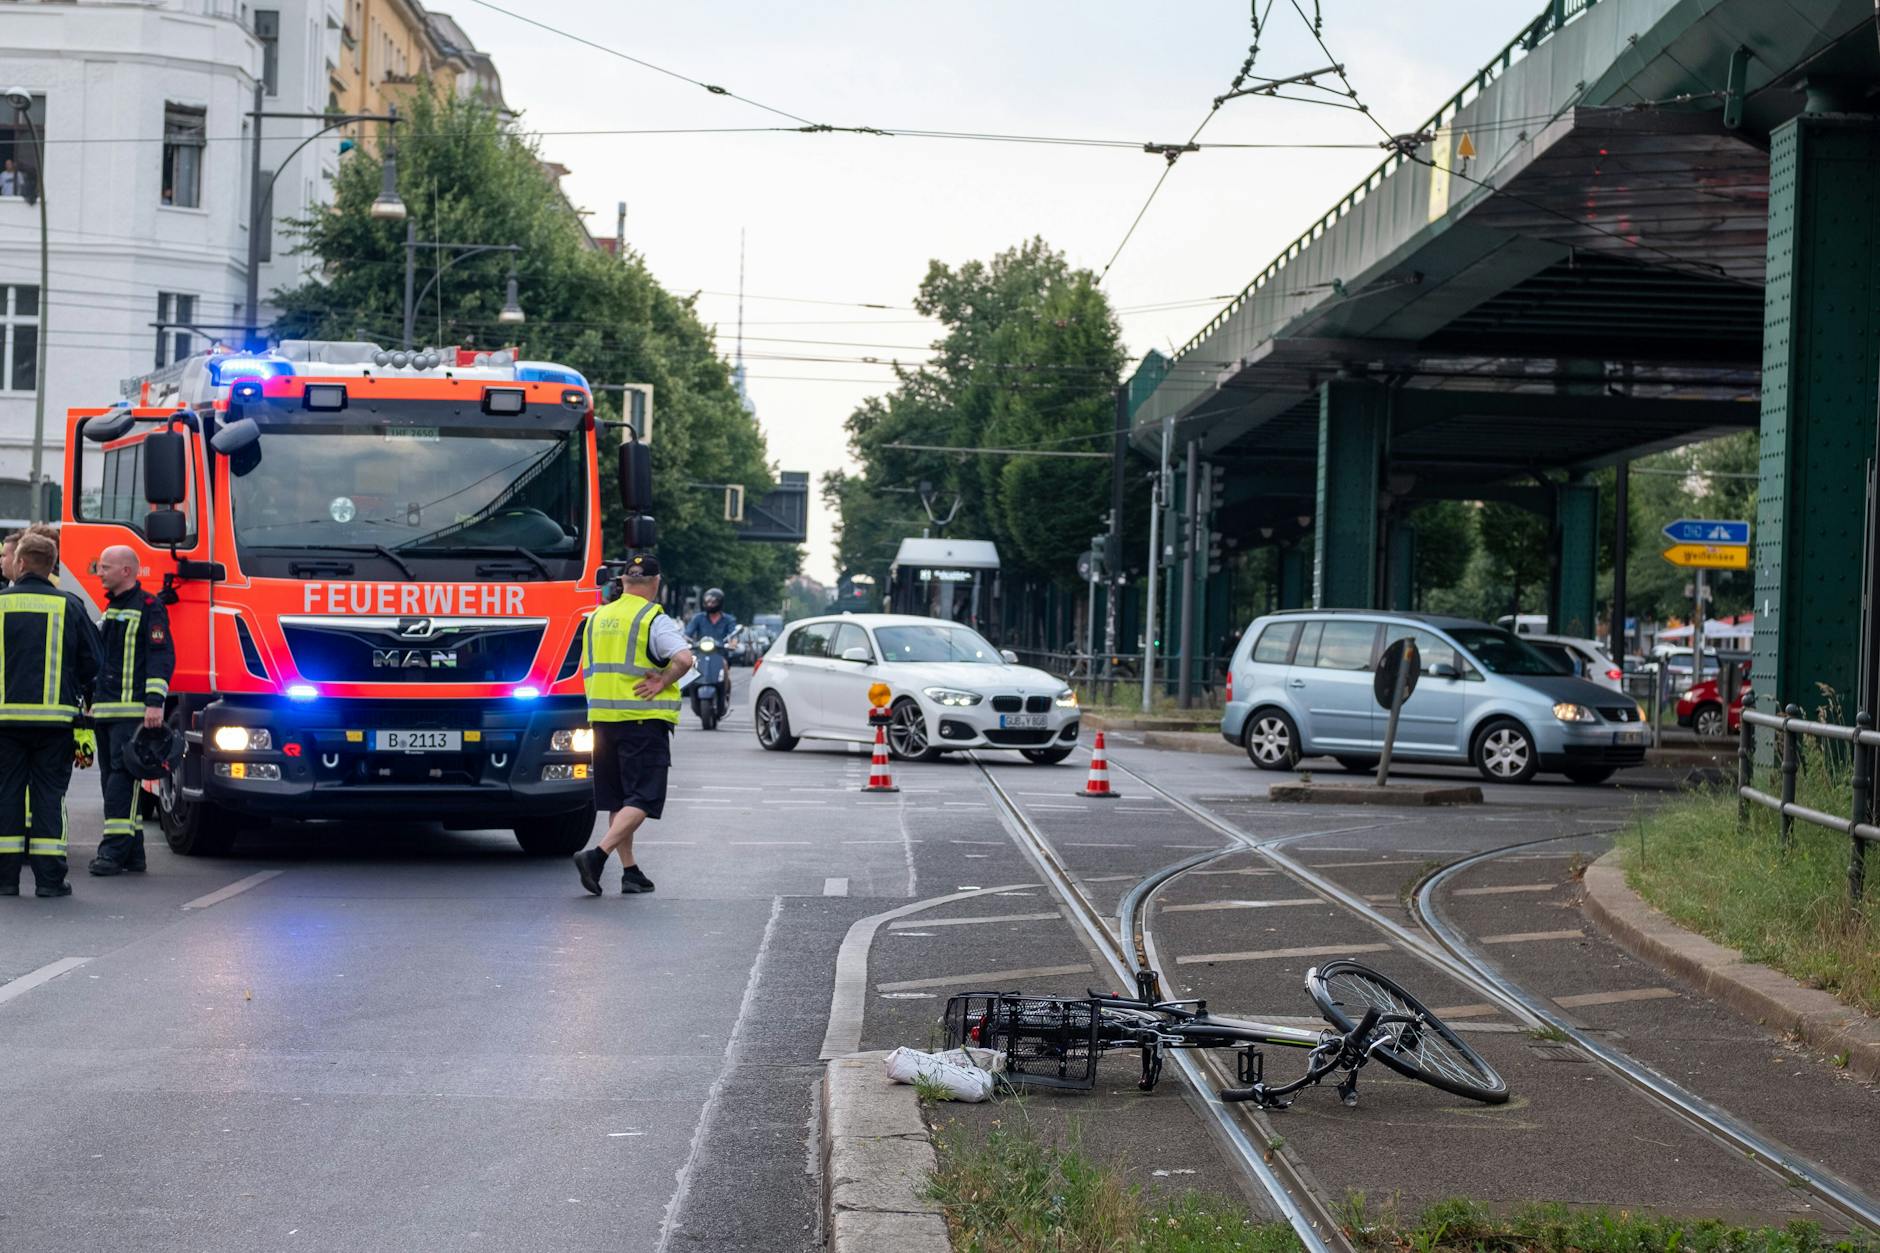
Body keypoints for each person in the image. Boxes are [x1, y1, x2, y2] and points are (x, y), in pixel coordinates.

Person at [572, 553, 692, 897]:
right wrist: (663, 679)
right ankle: (597, 856)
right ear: (656, 582)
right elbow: (683, 659)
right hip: (641, 720)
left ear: (623, 582)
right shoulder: (652, 618)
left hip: (602, 720)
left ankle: (631, 872)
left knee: (620, 800)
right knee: (643, 797)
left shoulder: (597, 617)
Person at [0, 532, 101, 898]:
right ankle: (50, 880)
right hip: (55, 723)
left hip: (5, 723)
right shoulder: (69, 606)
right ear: (53, 566)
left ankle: (5, 879)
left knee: (6, 795)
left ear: (21, 563)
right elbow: (94, 663)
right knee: (49, 797)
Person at [87, 545, 173, 876]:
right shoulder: (110, 611)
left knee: (122, 780)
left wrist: (154, 702)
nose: (100, 572)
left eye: (105, 567)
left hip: (132, 711)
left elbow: (160, 655)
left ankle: (112, 852)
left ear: (126, 571)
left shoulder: (149, 606)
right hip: (107, 712)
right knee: (112, 780)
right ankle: (133, 854)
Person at [685, 587, 738, 696]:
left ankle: (725, 692)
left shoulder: (729, 619)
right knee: (689, 665)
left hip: (720, 653)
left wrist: (733, 643)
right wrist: (684, 641)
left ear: (720, 602)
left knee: (724, 666)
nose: (710, 604)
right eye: (707, 601)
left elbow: (733, 635)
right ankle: (689, 688)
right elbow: (687, 634)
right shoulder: (698, 618)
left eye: (713, 601)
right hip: (701, 652)